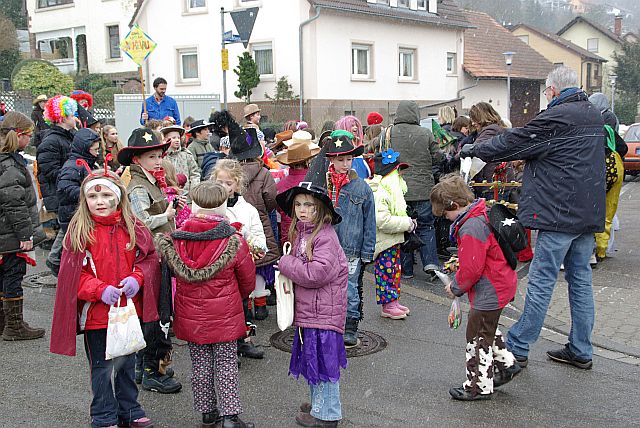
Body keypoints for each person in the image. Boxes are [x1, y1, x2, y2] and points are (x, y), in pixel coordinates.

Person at [460, 66, 605, 369]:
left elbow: (515, 141)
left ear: (552, 90)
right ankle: (581, 348)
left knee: (541, 281)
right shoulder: (592, 113)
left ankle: (519, 346)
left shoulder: (558, 116)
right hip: (587, 211)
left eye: (547, 92)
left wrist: (477, 149)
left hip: (559, 214)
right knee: (580, 281)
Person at [50, 170, 157, 428]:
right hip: (97, 314)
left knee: (126, 364)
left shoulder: (134, 227)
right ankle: (103, 415)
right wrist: (99, 289)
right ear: (84, 199)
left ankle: (129, 409)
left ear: (118, 197)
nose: (100, 201)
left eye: (107, 195)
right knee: (102, 367)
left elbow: (149, 259)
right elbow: (72, 275)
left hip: (127, 312)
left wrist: (137, 278)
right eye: (93, 196)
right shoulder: (79, 231)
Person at [156, 182, 256, 428]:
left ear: (193, 206)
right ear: (222, 206)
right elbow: (247, 281)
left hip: (190, 315)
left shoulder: (177, 240)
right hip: (225, 314)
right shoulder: (233, 241)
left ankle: (207, 411)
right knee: (226, 365)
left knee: (200, 365)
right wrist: (236, 297)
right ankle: (230, 417)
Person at [430, 174, 521, 401]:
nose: (446, 218)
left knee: (477, 338)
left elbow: (472, 268)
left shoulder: (470, 227)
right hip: (501, 283)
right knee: (487, 328)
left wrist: (456, 287)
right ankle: (506, 364)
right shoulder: (480, 214)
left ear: (454, 205)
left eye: (445, 213)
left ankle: (478, 386)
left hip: (490, 289)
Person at [276, 183, 348, 428]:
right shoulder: (305, 232)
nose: (302, 210)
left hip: (323, 313)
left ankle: (327, 414)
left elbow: (316, 274)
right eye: (298, 204)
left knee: (324, 363)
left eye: (309, 205)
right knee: (314, 360)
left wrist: (286, 263)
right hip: (312, 311)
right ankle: (320, 404)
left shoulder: (325, 237)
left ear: (321, 209)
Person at [117, 127, 184, 394]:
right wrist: (166, 215)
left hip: (158, 255)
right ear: (137, 159)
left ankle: (143, 366)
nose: (158, 161)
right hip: (150, 259)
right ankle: (152, 372)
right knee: (156, 316)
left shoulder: (151, 181)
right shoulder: (137, 187)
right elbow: (139, 222)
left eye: (159, 156)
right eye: (151, 157)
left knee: (152, 314)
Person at [211, 159, 268, 360]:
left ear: (237, 184)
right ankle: (224, 347)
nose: (224, 186)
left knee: (243, 304)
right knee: (222, 308)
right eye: (220, 182)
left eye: (228, 183)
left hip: (241, 265)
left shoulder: (248, 209)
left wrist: (258, 247)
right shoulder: (209, 206)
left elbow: (257, 234)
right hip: (218, 268)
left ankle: (244, 340)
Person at [324, 130, 376, 347]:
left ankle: (350, 325)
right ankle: (329, 321)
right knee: (326, 285)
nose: (345, 164)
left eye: (349, 159)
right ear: (331, 159)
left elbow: (370, 221)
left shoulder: (362, 188)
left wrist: (368, 251)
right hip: (325, 246)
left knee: (350, 287)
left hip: (351, 247)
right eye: (340, 160)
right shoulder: (323, 184)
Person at [0, 112, 46, 341]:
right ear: (18, 135)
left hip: (4, 230)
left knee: (3, 276)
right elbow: (13, 203)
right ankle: (14, 327)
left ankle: (4, 323)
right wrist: (25, 234)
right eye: (28, 135)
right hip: (10, 232)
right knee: (13, 275)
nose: (29, 140)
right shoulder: (9, 164)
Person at [229, 127, 280, 323]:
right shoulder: (264, 173)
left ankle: (247, 307)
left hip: (236, 222)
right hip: (261, 222)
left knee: (243, 267)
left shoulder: (231, 174)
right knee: (260, 264)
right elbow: (271, 198)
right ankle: (261, 306)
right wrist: (265, 211)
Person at [388, 100, 443, 280]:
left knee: (403, 228)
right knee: (426, 226)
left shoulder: (389, 133)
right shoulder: (425, 133)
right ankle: (431, 263)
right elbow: (438, 157)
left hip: (398, 190)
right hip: (423, 189)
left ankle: (407, 269)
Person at [366, 150, 414, 320]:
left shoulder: (390, 192)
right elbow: (383, 221)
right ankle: (388, 305)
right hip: (384, 242)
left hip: (392, 240)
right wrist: (406, 223)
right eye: (398, 171)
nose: (401, 175)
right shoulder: (380, 193)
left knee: (394, 271)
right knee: (385, 273)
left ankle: (393, 300)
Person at [37, 95, 78, 276]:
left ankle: (58, 260)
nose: (75, 118)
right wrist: (72, 175)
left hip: (66, 189)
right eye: (72, 115)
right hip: (60, 192)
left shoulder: (68, 137)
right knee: (69, 225)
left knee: (70, 225)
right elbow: (49, 170)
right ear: (62, 118)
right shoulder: (52, 141)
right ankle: (55, 260)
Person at [275, 130, 320, 246]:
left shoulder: (280, 185)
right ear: (308, 160)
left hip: (288, 236)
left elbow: (278, 209)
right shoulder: (316, 182)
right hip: (312, 235)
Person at [56, 128, 101, 240]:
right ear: (85, 148)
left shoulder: (85, 163)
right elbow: (65, 188)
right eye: (95, 150)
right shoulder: (73, 166)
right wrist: (91, 193)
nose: (97, 153)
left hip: (78, 214)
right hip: (73, 215)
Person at [161, 125, 201, 195]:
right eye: (173, 138)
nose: (177, 140)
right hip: (168, 194)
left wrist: (193, 191)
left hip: (187, 194)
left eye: (178, 138)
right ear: (165, 139)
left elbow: (194, 174)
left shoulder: (186, 155)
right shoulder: (162, 157)